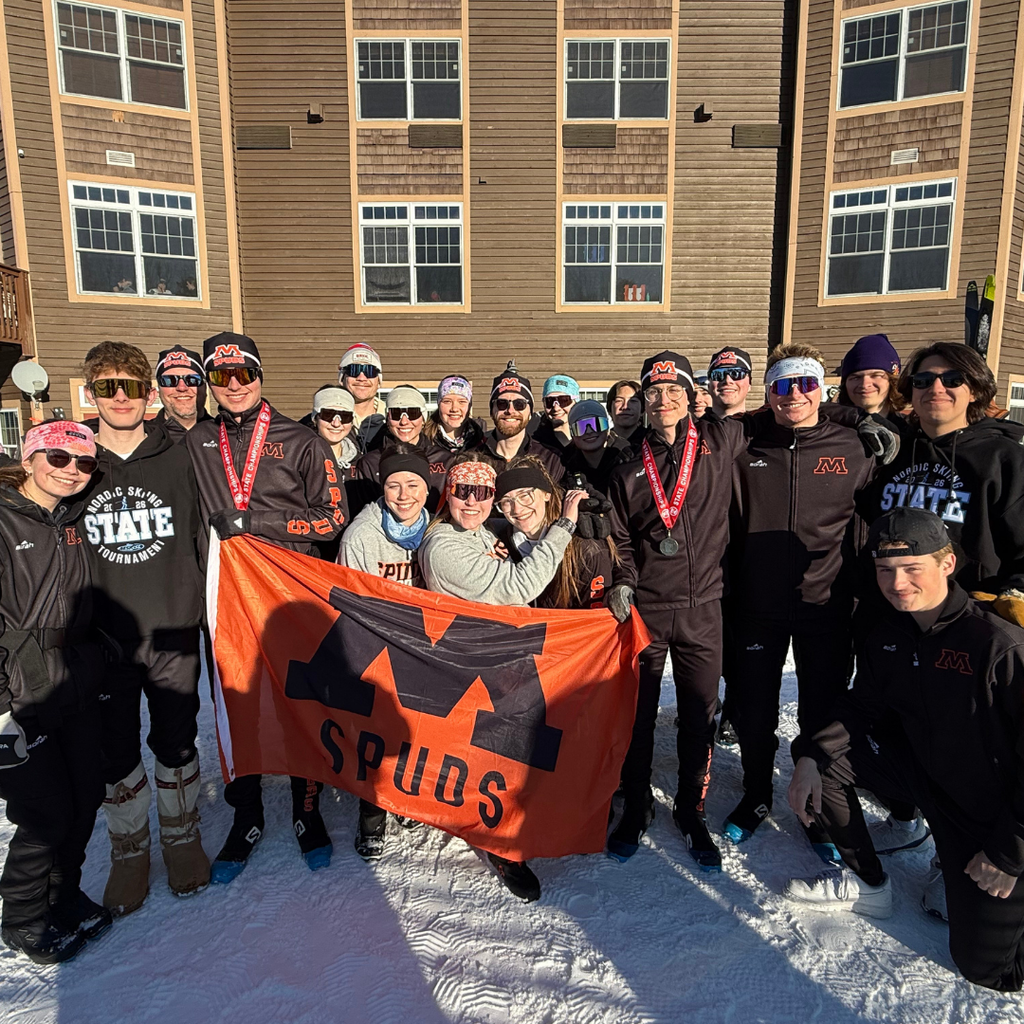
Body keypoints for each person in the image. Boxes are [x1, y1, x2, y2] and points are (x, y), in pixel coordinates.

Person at [786, 508, 1024, 993]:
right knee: (824, 758)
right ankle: (871, 884)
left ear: (948, 563)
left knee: (987, 970)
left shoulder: (997, 645)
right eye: (884, 570)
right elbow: (861, 706)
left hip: (992, 813)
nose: (897, 583)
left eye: (912, 568)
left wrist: (1008, 854)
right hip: (929, 783)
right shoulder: (889, 635)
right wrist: (809, 755)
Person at [185, 332, 347, 881]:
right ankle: (246, 816)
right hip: (225, 595)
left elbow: (333, 518)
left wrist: (258, 524)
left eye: (245, 374)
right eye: (221, 376)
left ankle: (307, 814)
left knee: (300, 701)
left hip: (288, 595)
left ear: (261, 375)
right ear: (210, 382)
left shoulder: (301, 440)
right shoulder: (196, 440)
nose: (234, 385)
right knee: (237, 708)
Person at [722, 343, 878, 854]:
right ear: (767, 391)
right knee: (754, 709)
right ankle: (757, 794)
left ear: (823, 388)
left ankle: (819, 810)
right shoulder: (746, 443)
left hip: (825, 605)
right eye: (783, 384)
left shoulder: (854, 447)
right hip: (756, 605)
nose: (794, 394)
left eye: (806, 383)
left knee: (821, 711)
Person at [605, 351, 752, 869]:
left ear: (691, 396)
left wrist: (862, 422)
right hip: (648, 610)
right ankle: (638, 803)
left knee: (698, 715)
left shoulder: (722, 439)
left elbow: (793, 420)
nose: (663, 400)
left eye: (674, 391)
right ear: (643, 400)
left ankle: (691, 809)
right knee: (638, 716)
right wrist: (624, 580)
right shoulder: (626, 466)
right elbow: (620, 538)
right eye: (654, 392)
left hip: (704, 607)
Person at [419, 454, 585, 901]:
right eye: (462, 492)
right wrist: (565, 525)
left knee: (520, 751)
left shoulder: (484, 531)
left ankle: (524, 822)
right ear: (447, 495)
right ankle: (501, 845)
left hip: (507, 659)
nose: (473, 502)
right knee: (497, 757)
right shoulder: (443, 547)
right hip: (479, 664)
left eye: (483, 493)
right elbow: (516, 587)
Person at [79, 342, 208, 916]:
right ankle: (130, 849)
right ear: (91, 394)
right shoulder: (76, 460)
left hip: (174, 624)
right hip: (102, 634)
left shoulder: (180, 453)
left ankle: (181, 838)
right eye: (107, 387)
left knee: (177, 739)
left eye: (131, 387)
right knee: (114, 748)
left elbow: (213, 530)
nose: (121, 398)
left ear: (149, 394)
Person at [0, 420, 109, 963]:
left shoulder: (73, 520)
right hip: (18, 692)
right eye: (58, 459)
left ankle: (62, 895)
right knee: (43, 812)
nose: (71, 472)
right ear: (30, 459)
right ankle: (21, 916)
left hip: (76, 678)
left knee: (87, 795)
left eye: (84, 464)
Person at [338, 449, 432, 860]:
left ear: (428, 489)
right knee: (375, 731)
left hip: (425, 645)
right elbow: (348, 599)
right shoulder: (362, 535)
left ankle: (407, 797)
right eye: (394, 484)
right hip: (377, 641)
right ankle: (372, 812)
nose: (404, 494)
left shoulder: (439, 530)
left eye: (413, 484)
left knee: (419, 728)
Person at [491, 456, 614, 610]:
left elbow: (596, 619)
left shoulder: (586, 548)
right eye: (506, 501)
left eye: (525, 496)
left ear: (546, 494)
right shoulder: (499, 542)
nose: (517, 509)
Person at [351, 386, 448, 512]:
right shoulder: (370, 462)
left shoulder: (444, 460)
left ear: (423, 418)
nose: (404, 421)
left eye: (412, 414)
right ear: (388, 418)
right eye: (396, 414)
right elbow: (361, 509)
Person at [479, 361, 564, 480]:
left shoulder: (551, 459)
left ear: (530, 413)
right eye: (502, 403)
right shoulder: (474, 457)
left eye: (520, 404)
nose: (510, 410)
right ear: (491, 411)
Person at [559, 400, 631, 498]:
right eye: (580, 427)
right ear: (572, 434)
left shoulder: (628, 458)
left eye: (596, 424)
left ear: (608, 428)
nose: (589, 431)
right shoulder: (565, 467)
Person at [837, 333, 904, 420]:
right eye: (856, 377)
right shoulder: (830, 431)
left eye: (876, 375)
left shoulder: (912, 430)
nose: (864, 384)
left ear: (892, 381)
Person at [154, 347, 212, 441]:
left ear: (205, 386)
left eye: (192, 379)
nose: (182, 387)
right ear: (159, 388)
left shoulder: (227, 433)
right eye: (170, 380)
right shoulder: (145, 436)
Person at [422, 374, 483, 461]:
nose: (454, 409)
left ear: (469, 406)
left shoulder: (481, 439)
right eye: (447, 401)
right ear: (439, 404)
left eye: (462, 402)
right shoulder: (424, 440)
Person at [339, 343, 385, 450]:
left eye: (370, 371)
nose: (362, 378)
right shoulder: (324, 421)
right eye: (354, 370)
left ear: (379, 381)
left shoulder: (395, 420)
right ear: (342, 378)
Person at [309, 385, 359, 482]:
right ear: (315, 418)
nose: (336, 424)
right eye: (328, 415)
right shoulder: (300, 458)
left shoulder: (360, 463)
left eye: (345, 416)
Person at [706, 346, 753, 419]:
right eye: (718, 374)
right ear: (709, 384)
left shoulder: (761, 428)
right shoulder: (692, 428)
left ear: (750, 383)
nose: (728, 380)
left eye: (737, 374)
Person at [533, 374, 579, 450]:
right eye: (549, 401)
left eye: (564, 400)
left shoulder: (588, 437)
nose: (556, 408)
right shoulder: (534, 442)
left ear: (575, 402)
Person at [605, 379, 645, 451]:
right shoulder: (601, 443)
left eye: (633, 401)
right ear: (609, 409)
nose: (625, 407)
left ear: (642, 410)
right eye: (619, 401)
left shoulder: (652, 442)